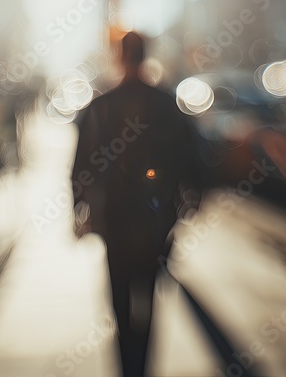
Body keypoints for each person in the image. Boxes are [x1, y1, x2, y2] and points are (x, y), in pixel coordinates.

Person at [71, 32, 201, 377]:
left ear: (118, 57)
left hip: (114, 216)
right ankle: (141, 363)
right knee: (147, 291)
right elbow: (191, 156)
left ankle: (127, 364)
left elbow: (81, 163)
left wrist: (77, 207)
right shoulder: (164, 103)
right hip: (155, 215)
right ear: (145, 56)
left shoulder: (102, 105)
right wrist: (189, 197)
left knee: (119, 290)